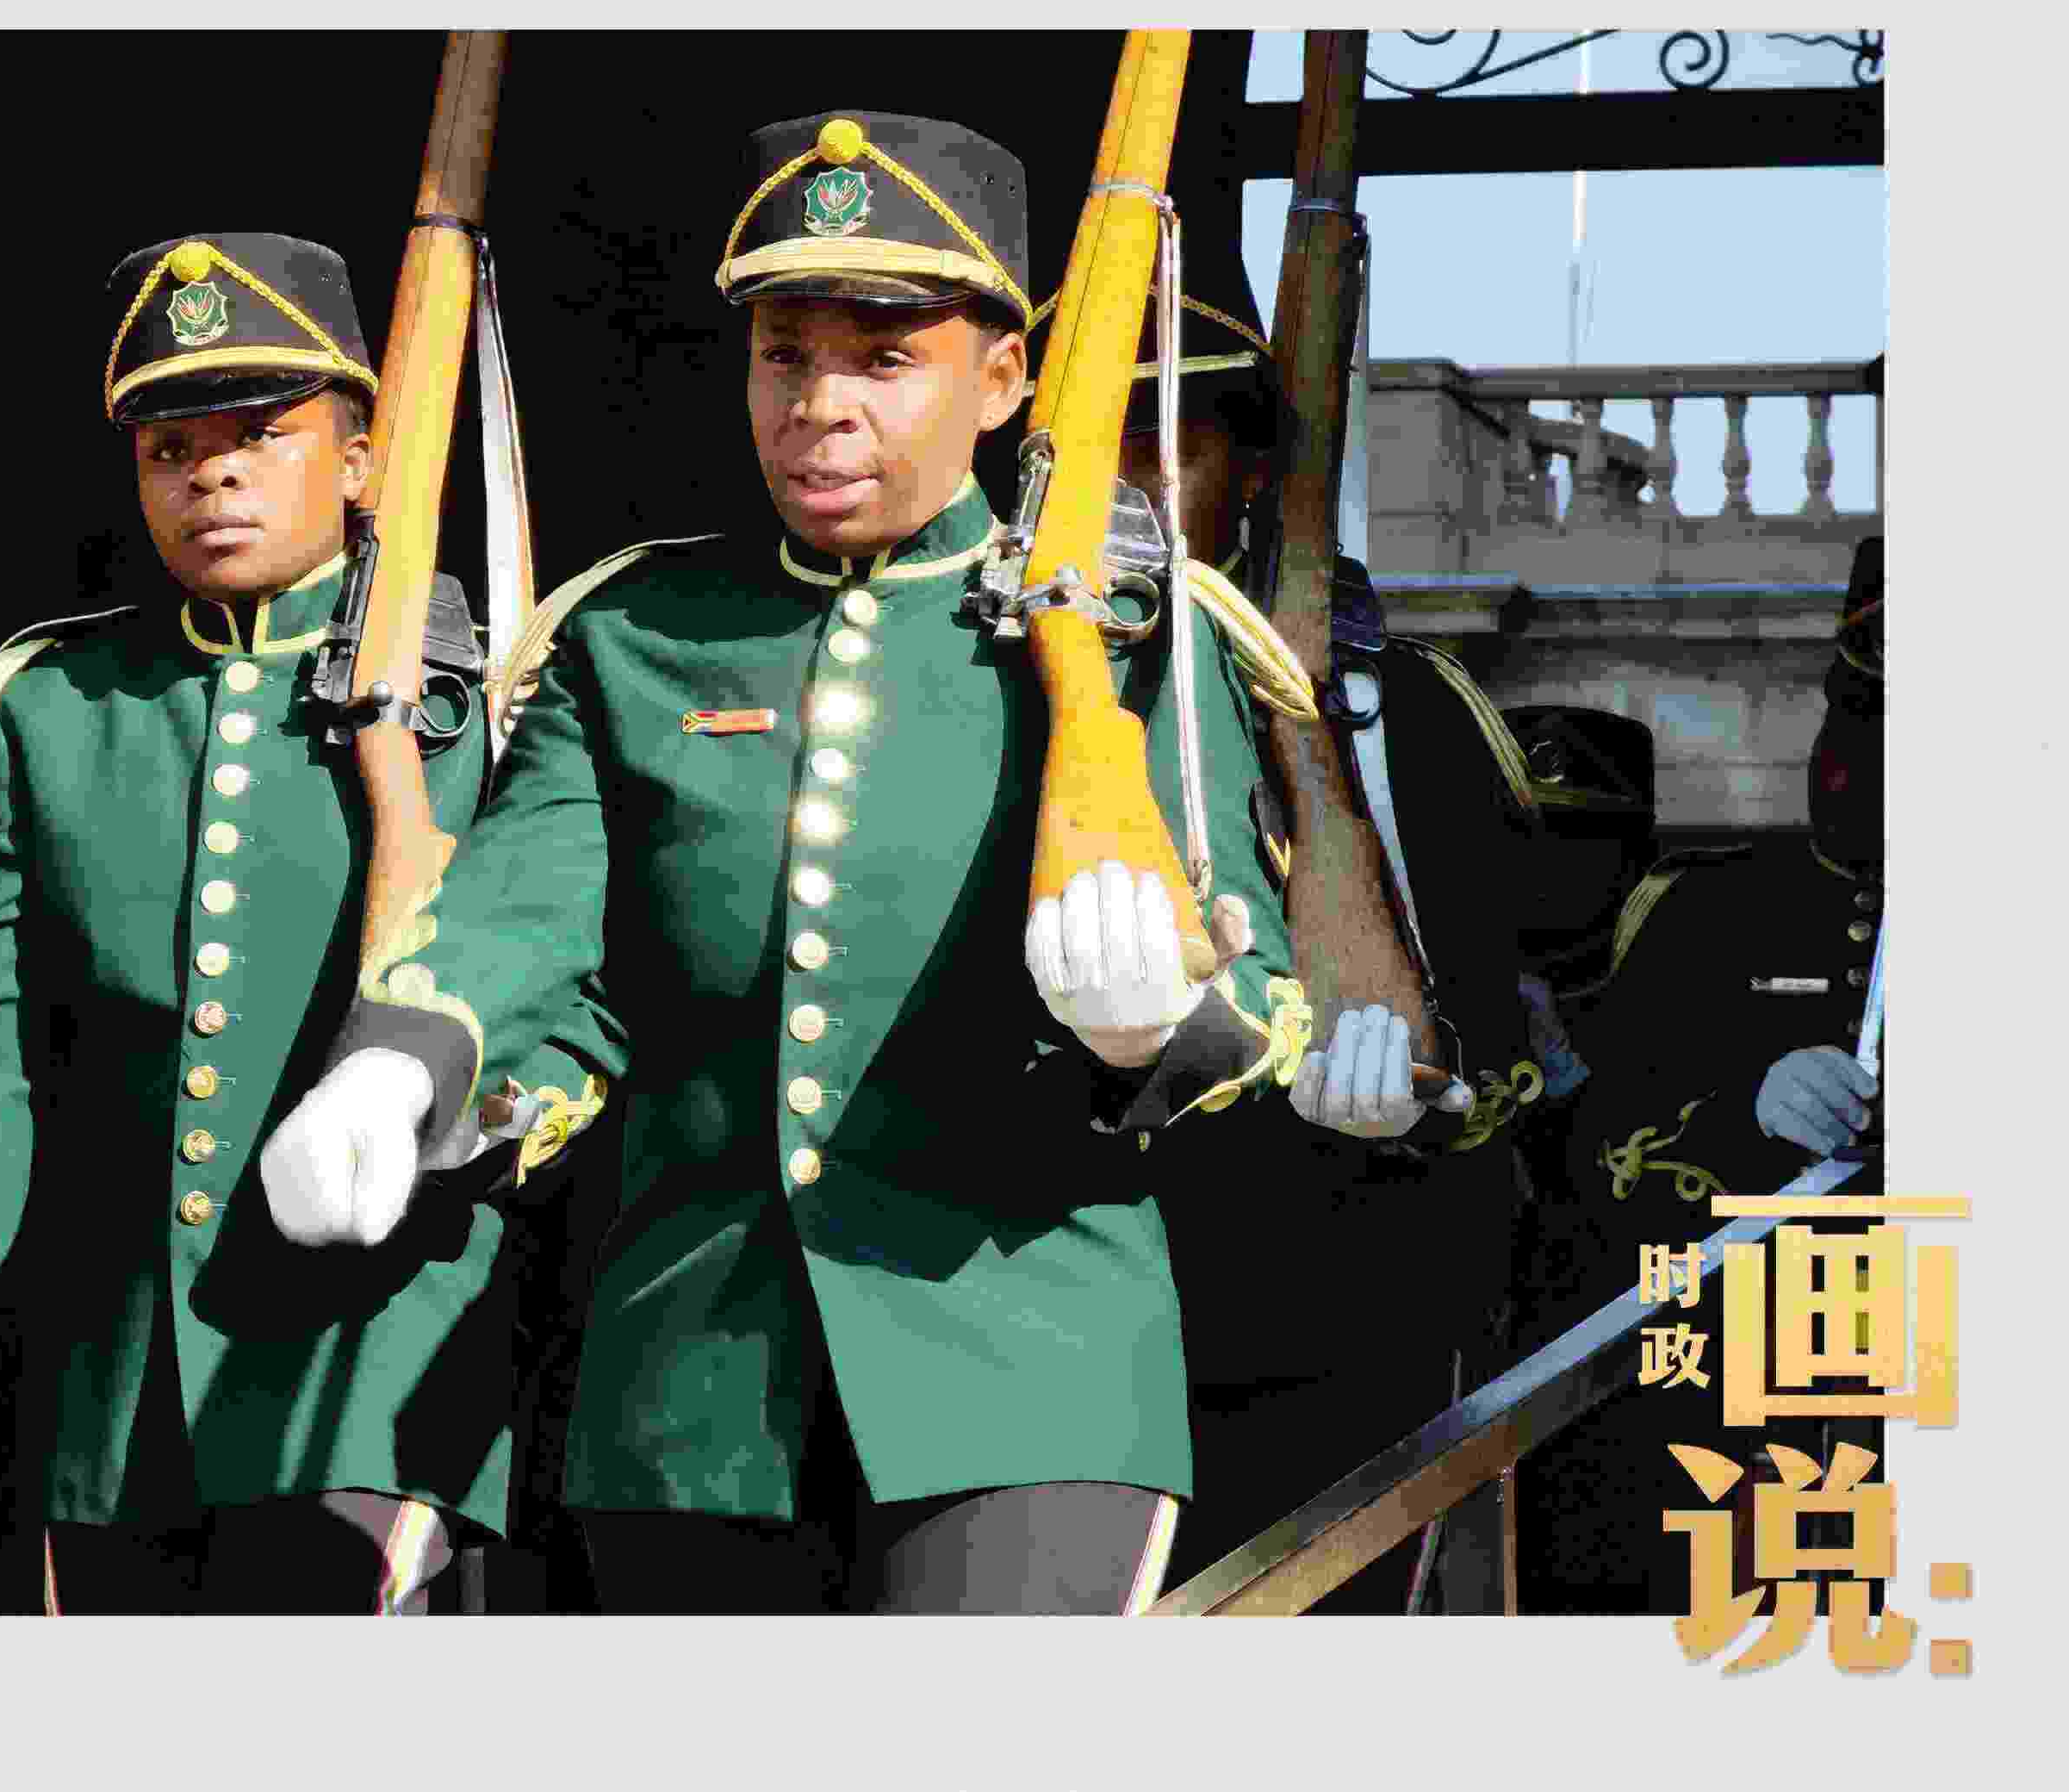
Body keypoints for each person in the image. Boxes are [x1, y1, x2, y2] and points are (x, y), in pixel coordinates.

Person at [258, 110, 1444, 1614]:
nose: (819, 407)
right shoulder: (633, 636)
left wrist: (1157, 1030)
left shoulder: (1129, 634)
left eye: (884, 360)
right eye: (785, 357)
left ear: (1001, 380)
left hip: (1024, 1385)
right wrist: (406, 1060)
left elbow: (1262, 993)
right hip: (691, 1403)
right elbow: (526, 913)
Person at [0, 233, 511, 1614]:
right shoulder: (56, 709)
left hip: (368, 1377)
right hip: (120, 1401)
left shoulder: (470, 705)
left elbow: (552, 986)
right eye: (173, 446)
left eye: (261, 435)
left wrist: (467, 1111)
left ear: (362, 457)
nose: (213, 475)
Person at [1106, 282, 1542, 1613]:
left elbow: (1489, 1045)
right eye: (1093, 445)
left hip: (1328, 1316)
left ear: (1252, 472)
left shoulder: (1398, 718)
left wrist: (1415, 1089)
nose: (1123, 489)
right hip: (1063, 1329)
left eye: (1165, 445)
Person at [1511, 536, 1884, 1615]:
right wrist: (1742, 1117)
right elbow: (1602, 1155)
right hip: (1721, 1410)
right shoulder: (1703, 913)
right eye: (1860, 715)